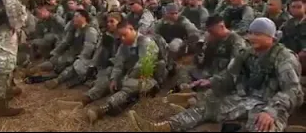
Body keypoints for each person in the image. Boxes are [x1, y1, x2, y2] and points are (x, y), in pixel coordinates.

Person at [129, 17, 304, 132]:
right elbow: (229, 76)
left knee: (261, 126)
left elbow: (293, 91)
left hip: (273, 107)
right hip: (246, 100)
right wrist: (209, 82)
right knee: (207, 107)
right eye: (251, 33)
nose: (252, 37)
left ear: (271, 38)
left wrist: (271, 112)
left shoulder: (284, 57)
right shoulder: (247, 53)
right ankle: (162, 128)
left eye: (258, 34)